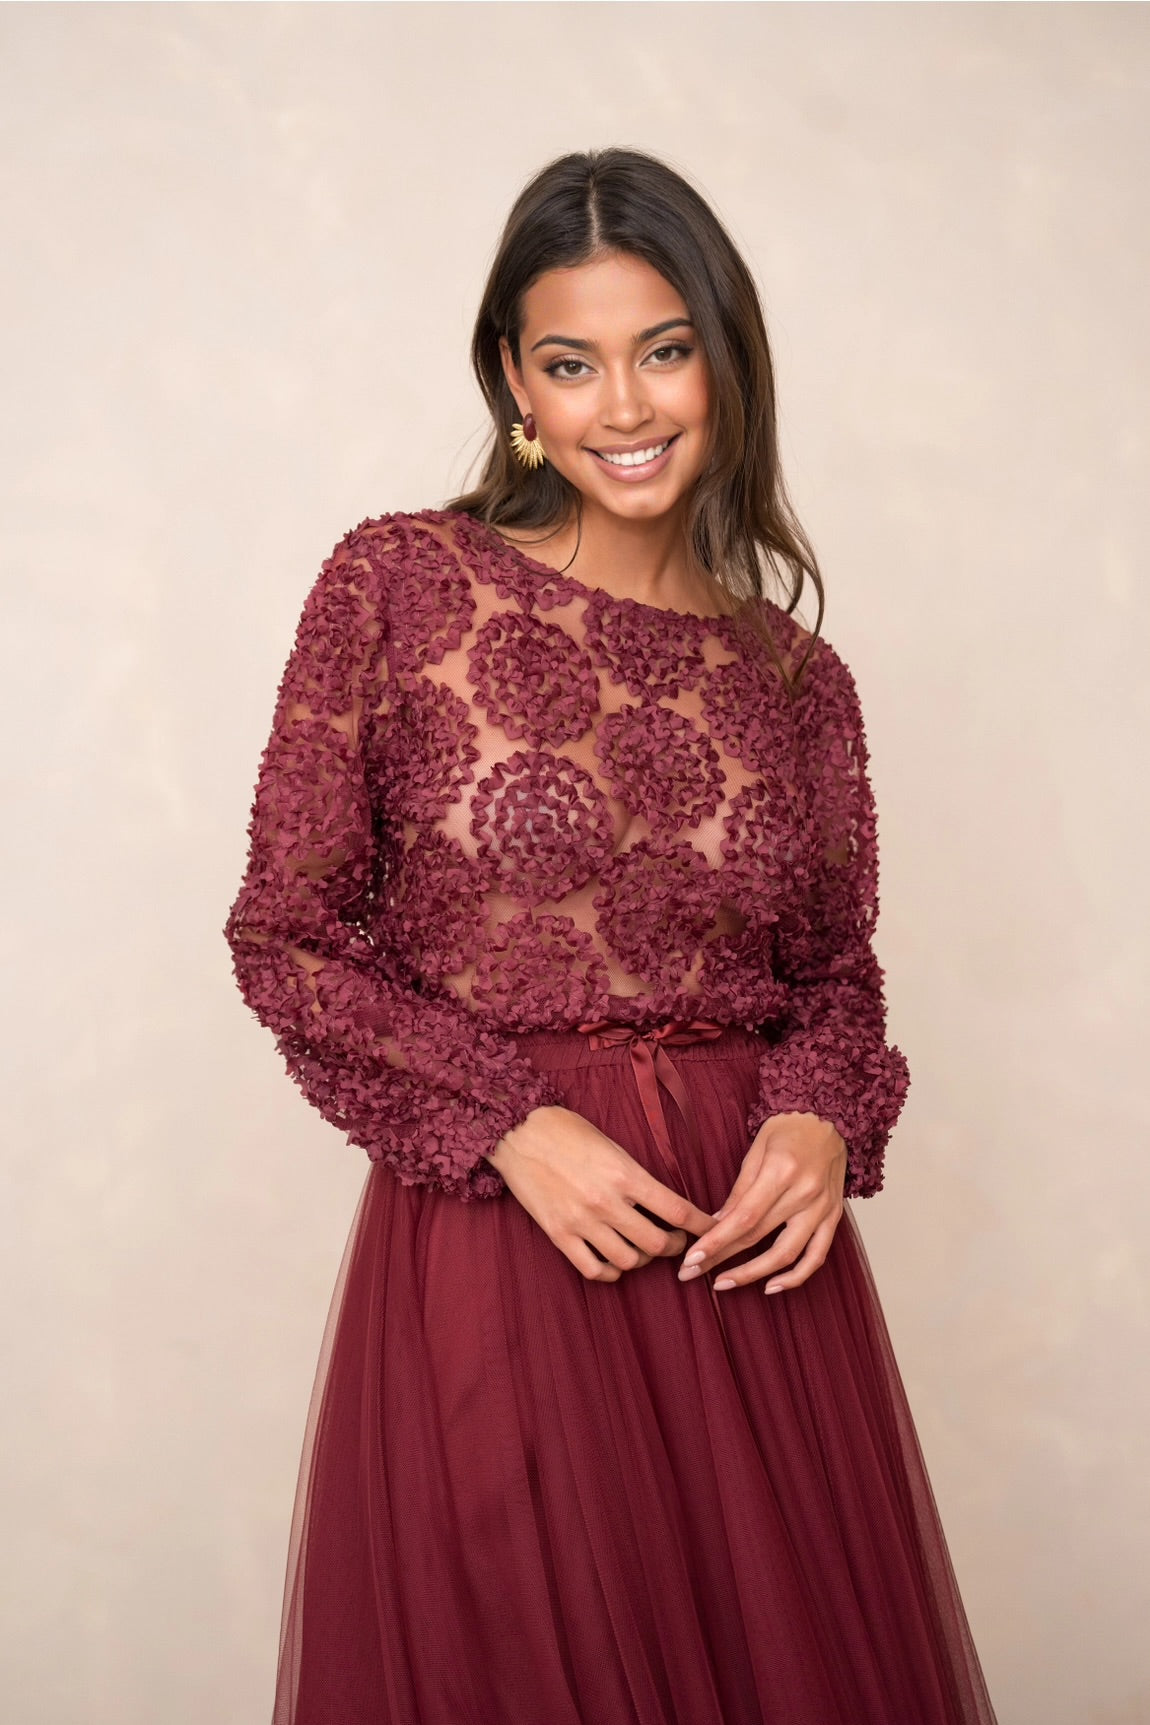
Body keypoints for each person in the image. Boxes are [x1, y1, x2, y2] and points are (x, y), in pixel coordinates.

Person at [224, 146, 997, 1725]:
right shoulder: (398, 586)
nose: (624, 406)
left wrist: (815, 1119)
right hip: (510, 1235)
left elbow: (832, 980)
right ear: (514, 382)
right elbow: (288, 937)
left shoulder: (794, 680)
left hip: (753, 1268)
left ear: (726, 359)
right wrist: (512, 1124)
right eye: (571, 363)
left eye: (663, 350)